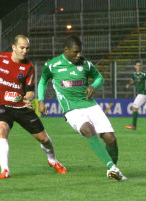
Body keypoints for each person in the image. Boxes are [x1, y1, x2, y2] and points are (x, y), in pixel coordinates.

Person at [0, 34, 66, 179]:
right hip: (3, 107)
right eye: (22, 48)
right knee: (1, 130)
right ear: (13, 47)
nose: (25, 51)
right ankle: (5, 170)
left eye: (27, 48)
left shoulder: (29, 67)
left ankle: (52, 160)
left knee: (44, 139)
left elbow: (30, 92)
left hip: (22, 108)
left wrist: (27, 99)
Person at [38, 35, 126, 181]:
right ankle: (112, 167)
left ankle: (113, 170)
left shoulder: (86, 63)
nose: (78, 55)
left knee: (111, 139)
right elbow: (42, 82)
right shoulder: (52, 65)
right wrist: (41, 100)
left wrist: (93, 86)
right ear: (66, 50)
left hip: (90, 105)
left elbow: (99, 78)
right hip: (71, 109)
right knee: (88, 130)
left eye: (80, 52)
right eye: (75, 52)